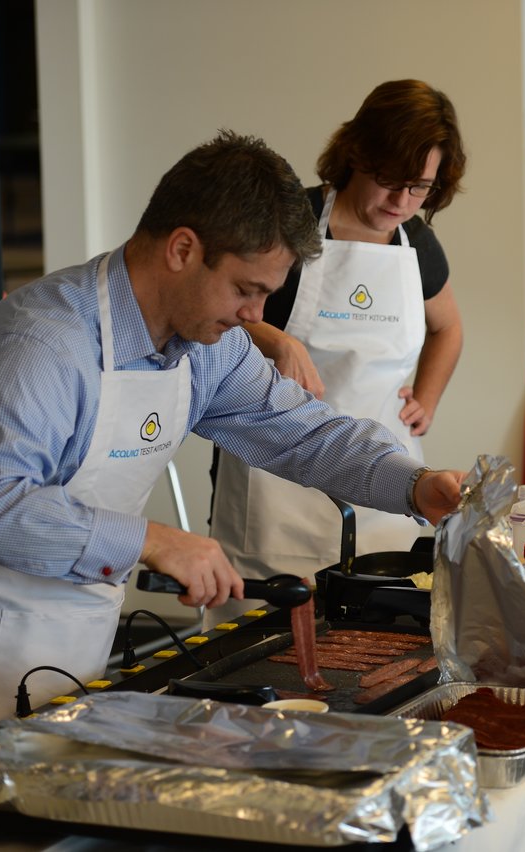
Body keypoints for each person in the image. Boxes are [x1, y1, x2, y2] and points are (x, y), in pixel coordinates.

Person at [0, 130, 464, 805]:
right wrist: (153, 539)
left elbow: (301, 434)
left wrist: (411, 483)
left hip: (55, 618)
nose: (256, 317)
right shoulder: (42, 343)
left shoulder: (207, 345)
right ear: (182, 250)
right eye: (245, 290)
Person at [209, 80, 465, 620]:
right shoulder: (287, 222)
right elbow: (215, 312)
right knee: (269, 635)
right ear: (356, 154)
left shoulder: (415, 243)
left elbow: (448, 328)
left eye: (419, 188)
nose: (401, 202)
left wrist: (427, 398)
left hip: (384, 485)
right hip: (275, 484)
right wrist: (276, 339)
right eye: (389, 182)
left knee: (376, 639)